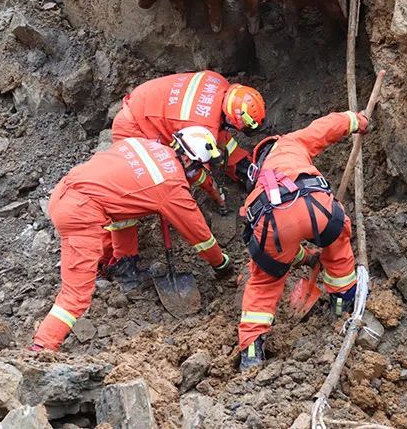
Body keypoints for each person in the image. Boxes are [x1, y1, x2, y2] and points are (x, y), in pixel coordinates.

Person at [31, 126, 233, 351]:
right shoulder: (170, 187)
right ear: (188, 160)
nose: (199, 171)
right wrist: (221, 263)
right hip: (79, 213)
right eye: (199, 166)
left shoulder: (142, 144)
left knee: (127, 209)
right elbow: (200, 236)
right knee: (76, 295)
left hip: (66, 191)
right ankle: (42, 347)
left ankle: (121, 263)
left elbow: (122, 186)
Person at [237, 110, 369, 370]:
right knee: (337, 243)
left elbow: (278, 253)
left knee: (264, 284)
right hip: (317, 204)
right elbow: (326, 127)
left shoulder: (258, 184)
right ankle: (341, 305)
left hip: (273, 222)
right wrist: (357, 121)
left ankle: (252, 352)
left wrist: (302, 258)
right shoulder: (290, 143)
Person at [107, 70, 266, 285]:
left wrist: (244, 168)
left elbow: (219, 137)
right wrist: (215, 195)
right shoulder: (198, 126)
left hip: (149, 108)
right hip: (135, 128)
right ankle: (122, 262)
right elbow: (194, 169)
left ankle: (242, 169)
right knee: (147, 189)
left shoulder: (218, 84)